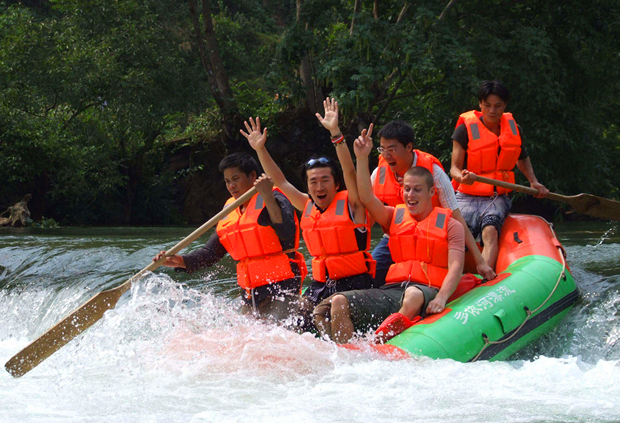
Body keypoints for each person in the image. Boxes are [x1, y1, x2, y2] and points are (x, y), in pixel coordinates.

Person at [316, 131, 465, 343]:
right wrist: (361, 157)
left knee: (413, 295)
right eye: (407, 189)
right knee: (339, 301)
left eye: (417, 190)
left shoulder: (451, 225)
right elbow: (366, 197)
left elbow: (457, 266)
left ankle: (386, 339)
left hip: (427, 290)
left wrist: (441, 298)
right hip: (393, 291)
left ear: (432, 192)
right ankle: (347, 359)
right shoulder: (394, 216)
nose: (410, 195)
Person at [240, 98, 373, 307]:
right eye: (313, 182)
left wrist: (335, 133)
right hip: (321, 285)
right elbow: (280, 181)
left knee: (330, 309)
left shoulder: (353, 204)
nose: (319, 187)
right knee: (296, 315)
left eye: (325, 180)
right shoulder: (306, 205)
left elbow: (349, 171)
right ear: (308, 186)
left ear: (337, 184)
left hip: (354, 283)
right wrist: (260, 149)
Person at [153, 153, 307, 326]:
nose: (231, 186)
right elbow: (210, 253)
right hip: (250, 294)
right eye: (227, 181)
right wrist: (179, 261)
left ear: (253, 176)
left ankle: (302, 310)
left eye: (236, 179)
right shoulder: (230, 210)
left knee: (269, 337)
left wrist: (268, 197)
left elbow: (287, 232)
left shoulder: (275, 197)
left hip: (283, 287)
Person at [370, 120, 494, 286]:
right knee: (370, 274)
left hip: (433, 239)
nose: (386, 155)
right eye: (382, 149)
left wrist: (479, 260)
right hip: (397, 239)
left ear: (408, 147)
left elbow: (456, 216)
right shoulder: (379, 172)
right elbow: (368, 210)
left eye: (391, 150)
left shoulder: (434, 173)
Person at [450, 80, 549, 271]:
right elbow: (454, 168)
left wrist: (533, 182)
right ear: (480, 104)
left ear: (505, 105)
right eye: (487, 105)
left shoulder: (513, 129)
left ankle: (485, 280)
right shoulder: (464, 130)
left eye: (497, 106)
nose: (492, 111)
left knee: (490, 232)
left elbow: (522, 158)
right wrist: (462, 177)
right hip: (466, 195)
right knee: (459, 236)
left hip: (496, 197)